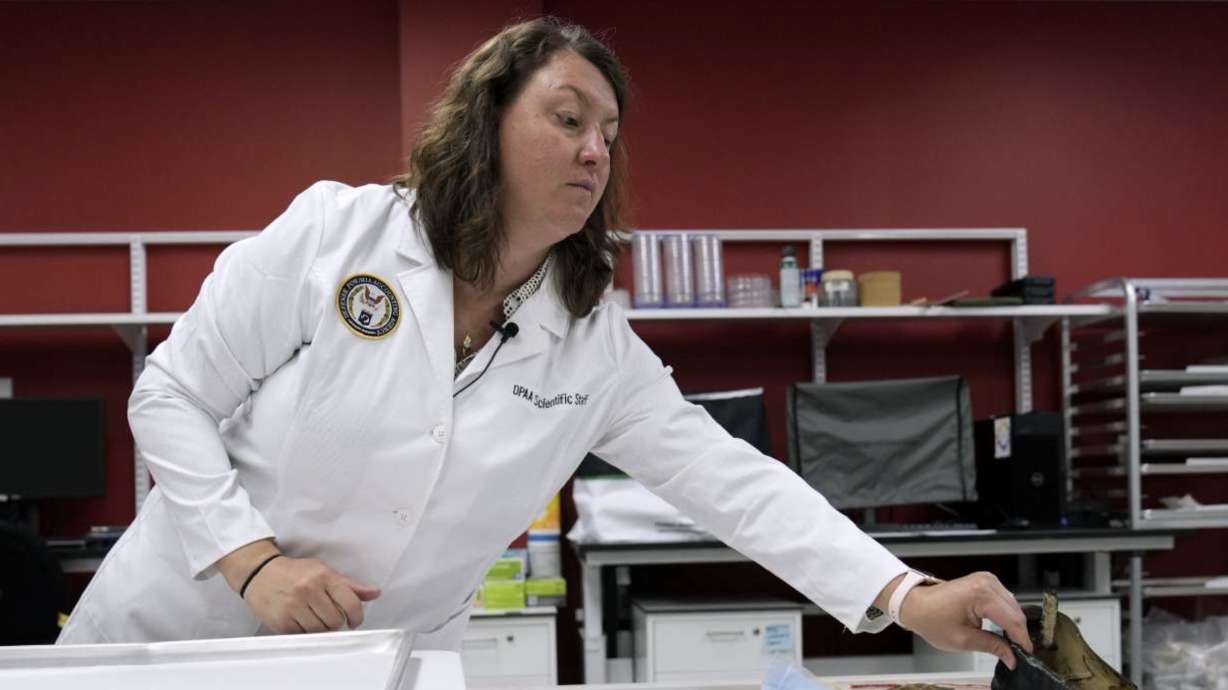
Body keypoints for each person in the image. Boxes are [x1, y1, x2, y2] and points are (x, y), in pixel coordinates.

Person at [58, 16, 1033, 668]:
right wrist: (253, 563)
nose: (595, 151)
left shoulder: (590, 340)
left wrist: (906, 593)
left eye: (608, 131)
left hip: (378, 658)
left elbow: (727, 479)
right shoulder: (337, 236)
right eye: (568, 118)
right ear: (483, 125)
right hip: (179, 639)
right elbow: (169, 395)